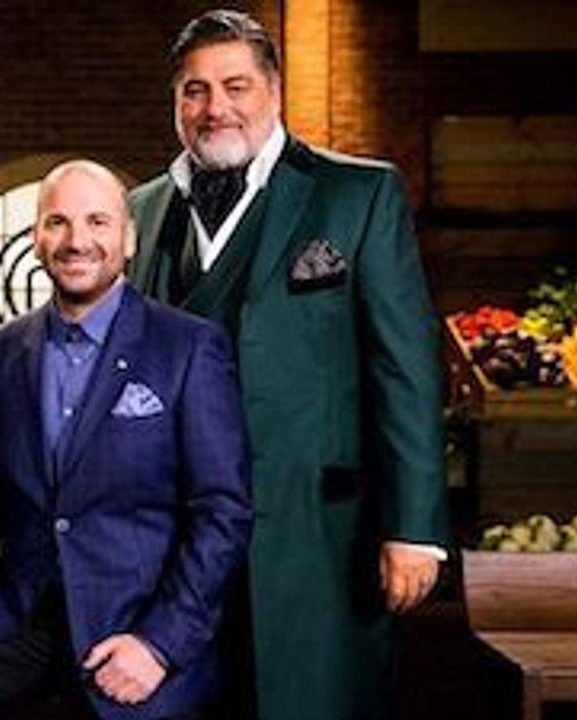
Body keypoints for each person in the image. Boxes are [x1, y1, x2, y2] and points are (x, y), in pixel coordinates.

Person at [127, 10, 449, 720]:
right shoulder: (139, 210)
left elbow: (404, 367)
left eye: (235, 85)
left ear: (273, 90)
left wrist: (414, 526)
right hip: (179, 541)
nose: (215, 107)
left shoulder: (356, 194)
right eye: (195, 90)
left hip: (320, 532)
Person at [0, 159, 253, 720]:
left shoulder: (188, 347)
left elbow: (222, 512)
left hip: (136, 626)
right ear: (37, 239)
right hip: (19, 616)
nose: (77, 241)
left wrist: (159, 644)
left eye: (97, 222)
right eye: (58, 223)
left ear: (128, 239)